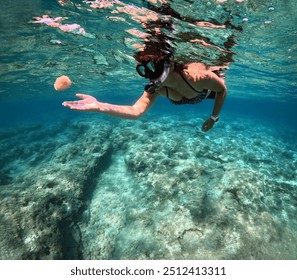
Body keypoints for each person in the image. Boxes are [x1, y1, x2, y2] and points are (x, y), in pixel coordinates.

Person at [62, 52, 227, 132]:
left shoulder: (197, 76)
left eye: (155, 66)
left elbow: (222, 90)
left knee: (224, 57)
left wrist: (213, 118)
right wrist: (100, 106)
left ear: (168, 63)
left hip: (207, 93)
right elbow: (135, 111)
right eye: (145, 69)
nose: (151, 74)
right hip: (192, 95)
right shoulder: (155, 89)